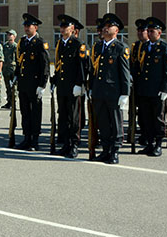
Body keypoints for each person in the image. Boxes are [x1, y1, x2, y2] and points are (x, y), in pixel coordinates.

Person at [87, 13, 130, 164]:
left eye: (108, 26)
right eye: (104, 27)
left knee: (116, 122)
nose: (105, 29)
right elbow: (94, 70)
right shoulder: (98, 47)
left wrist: (125, 94)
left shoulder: (120, 48)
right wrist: (91, 88)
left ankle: (115, 151)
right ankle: (105, 150)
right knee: (103, 123)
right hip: (99, 92)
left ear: (116, 30)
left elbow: (124, 73)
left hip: (114, 93)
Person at [51, 14, 89, 158]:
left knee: (74, 118)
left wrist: (79, 84)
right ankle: (66, 144)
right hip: (62, 86)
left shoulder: (78, 44)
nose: (62, 29)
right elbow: (60, 64)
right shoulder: (61, 43)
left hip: (74, 87)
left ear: (72, 28)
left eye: (65, 26)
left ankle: (74, 145)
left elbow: (82, 66)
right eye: (61, 26)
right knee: (64, 116)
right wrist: (54, 80)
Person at [136, 17, 167, 156]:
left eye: (152, 31)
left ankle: (158, 145)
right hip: (145, 90)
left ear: (159, 33)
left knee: (158, 119)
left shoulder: (164, 47)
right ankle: (150, 143)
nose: (149, 33)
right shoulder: (145, 47)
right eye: (148, 31)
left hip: (157, 90)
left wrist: (165, 89)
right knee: (146, 118)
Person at [14, 13, 50, 150]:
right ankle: (26, 137)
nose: (26, 28)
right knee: (25, 112)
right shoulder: (22, 42)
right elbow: (19, 61)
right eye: (25, 25)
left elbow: (45, 65)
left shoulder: (40, 43)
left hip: (35, 84)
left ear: (35, 27)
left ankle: (35, 140)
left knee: (35, 112)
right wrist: (16, 76)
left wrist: (42, 84)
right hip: (23, 83)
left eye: (28, 26)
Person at [2, 30, 18, 110]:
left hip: (13, 69)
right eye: (8, 34)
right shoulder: (5, 46)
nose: (9, 36)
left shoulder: (16, 46)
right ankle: (9, 102)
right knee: (7, 86)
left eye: (11, 34)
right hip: (6, 69)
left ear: (14, 36)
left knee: (13, 88)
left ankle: (13, 102)